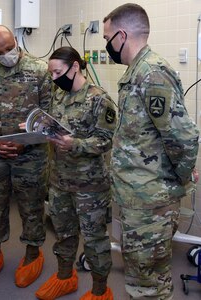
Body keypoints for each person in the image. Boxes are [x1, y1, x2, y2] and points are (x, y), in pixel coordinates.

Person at [103, 3, 199, 299]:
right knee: (146, 276)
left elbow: (183, 137)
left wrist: (178, 179)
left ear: (121, 35)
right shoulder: (137, 71)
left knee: (147, 283)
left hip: (150, 202)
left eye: (107, 38)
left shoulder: (151, 72)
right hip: (140, 197)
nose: (106, 45)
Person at [0, 25, 52, 288]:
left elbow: (50, 113)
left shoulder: (39, 70)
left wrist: (26, 143)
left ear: (15, 41)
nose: (6, 54)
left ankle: (32, 255)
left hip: (31, 155)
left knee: (32, 205)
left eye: (8, 48)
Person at [35, 46, 116, 300]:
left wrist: (76, 144)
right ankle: (64, 278)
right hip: (60, 181)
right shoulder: (59, 96)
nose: (54, 78)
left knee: (94, 241)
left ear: (74, 68)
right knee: (63, 234)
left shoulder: (99, 99)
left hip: (90, 187)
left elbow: (107, 141)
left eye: (57, 72)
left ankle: (100, 291)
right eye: (51, 73)